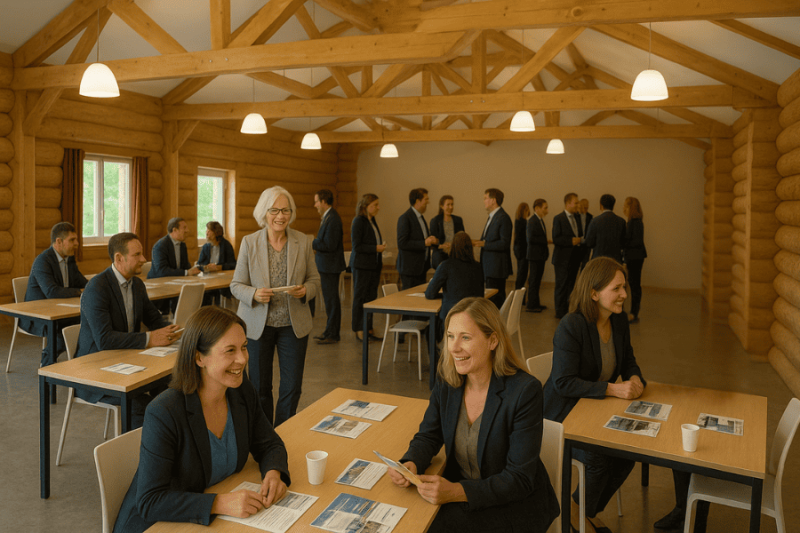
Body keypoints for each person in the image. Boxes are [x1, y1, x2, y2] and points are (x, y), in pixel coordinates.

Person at [113, 306, 291, 533]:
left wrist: (274, 474)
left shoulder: (240, 390)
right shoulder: (165, 411)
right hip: (157, 525)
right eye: (230, 350)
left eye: (244, 347)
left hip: (206, 519)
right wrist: (219, 503)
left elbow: (269, 443)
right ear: (199, 357)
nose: (243, 359)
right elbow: (150, 501)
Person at [389, 297, 559, 533]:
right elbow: (429, 435)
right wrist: (411, 463)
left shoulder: (524, 391)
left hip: (513, 505)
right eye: (450, 336)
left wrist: (456, 492)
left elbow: (519, 479)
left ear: (493, 340)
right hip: (464, 494)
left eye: (465, 337)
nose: (454, 347)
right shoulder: (448, 380)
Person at [543, 257, 646, 533]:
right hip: (562, 416)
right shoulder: (571, 326)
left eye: (624, 287)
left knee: (627, 455)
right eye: (617, 288)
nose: (624, 294)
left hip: (595, 410)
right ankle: (579, 521)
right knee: (599, 458)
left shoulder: (619, 321)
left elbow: (628, 362)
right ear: (594, 293)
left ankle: (579, 515)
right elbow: (563, 383)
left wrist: (635, 377)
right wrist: (613, 389)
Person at [230, 186, 320, 426]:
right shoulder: (249, 243)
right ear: (264, 212)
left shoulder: (303, 241)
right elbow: (236, 285)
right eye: (274, 210)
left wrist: (305, 291)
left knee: (292, 386)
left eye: (285, 210)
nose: (280, 216)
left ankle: (284, 431)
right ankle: (263, 434)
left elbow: (314, 281)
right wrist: (254, 293)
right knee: (259, 386)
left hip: (293, 324)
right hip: (258, 325)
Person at [77, 232, 180, 428]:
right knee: (144, 406)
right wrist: (150, 339)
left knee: (174, 389)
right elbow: (105, 340)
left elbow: (154, 319)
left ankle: (171, 450)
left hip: (127, 360)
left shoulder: (137, 284)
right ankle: (145, 457)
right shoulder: (97, 287)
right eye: (137, 255)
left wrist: (174, 332)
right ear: (119, 258)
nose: (144, 259)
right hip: (96, 371)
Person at [21, 222, 88, 366]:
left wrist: (94, 288)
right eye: (72, 240)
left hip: (61, 310)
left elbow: (82, 282)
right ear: (59, 241)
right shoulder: (42, 261)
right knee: (68, 328)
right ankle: (47, 363)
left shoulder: (69, 258)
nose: (76, 244)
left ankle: (81, 364)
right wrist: (80, 292)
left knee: (90, 321)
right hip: (37, 315)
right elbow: (52, 292)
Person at [424, 232, 484, 342]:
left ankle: (438, 359)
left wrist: (445, 294)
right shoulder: (478, 267)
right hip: (474, 317)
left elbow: (429, 293)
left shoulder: (446, 265)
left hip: (452, 317)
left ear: (453, 246)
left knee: (430, 331)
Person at [311, 189, 346, 344]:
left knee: (331, 301)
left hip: (330, 266)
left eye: (317, 201)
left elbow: (329, 245)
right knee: (330, 300)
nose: (315, 205)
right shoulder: (328, 217)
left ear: (324, 201)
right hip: (327, 266)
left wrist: (311, 241)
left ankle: (332, 333)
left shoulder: (333, 219)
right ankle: (329, 331)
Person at [350, 193, 385, 342]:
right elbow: (357, 246)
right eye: (375, 205)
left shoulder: (372, 220)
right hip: (362, 266)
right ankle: (359, 329)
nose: (378, 207)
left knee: (371, 298)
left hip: (373, 265)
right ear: (366, 206)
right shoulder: (358, 221)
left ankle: (368, 328)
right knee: (360, 298)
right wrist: (375, 248)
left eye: (377, 204)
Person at [148, 217, 201, 314]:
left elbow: (186, 266)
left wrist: (194, 270)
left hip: (176, 285)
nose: (187, 231)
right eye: (184, 228)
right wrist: (186, 272)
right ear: (175, 230)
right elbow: (161, 271)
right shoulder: (160, 246)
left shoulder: (182, 245)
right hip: (159, 288)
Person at [475, 188, 512, 309]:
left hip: (496, 268)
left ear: (493, 200)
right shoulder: (493, 216)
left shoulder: (503, 217)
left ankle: (497, 325)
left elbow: (504, 243)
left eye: (486, 198)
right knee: (492, 301)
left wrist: (484, 244)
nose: (484, 201)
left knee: (496, 302)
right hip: (490, 266)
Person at [397, 188, 438, 290]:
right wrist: (424, 242)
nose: (428, 202)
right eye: (426, 199)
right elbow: (402, 243)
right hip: (410, 270)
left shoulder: (420, 218)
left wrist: (431, 240)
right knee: (410, 301)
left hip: (421, 268)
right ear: (417, 201)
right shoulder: (405, 218)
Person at [551, 193, 583, 319]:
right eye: (576, 202)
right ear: (568, 203)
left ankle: (569, 310)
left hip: (574, 259)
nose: (578, 205)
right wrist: (571, 241)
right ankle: (559, 312)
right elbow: (556, 238)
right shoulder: (558, 218)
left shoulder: (578, 217)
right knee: (561, 286)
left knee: (571, 286)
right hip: (562, 260)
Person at [197, 220, 237, 306]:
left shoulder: (226, 245)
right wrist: (206, 267)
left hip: (223, 281)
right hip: (208, 280)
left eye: (209, 230)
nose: (206, 233)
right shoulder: (205, 247)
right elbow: (199, 264)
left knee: (221, 290)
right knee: (203, 292)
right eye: (206, 230)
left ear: (216, 232)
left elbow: (234, 265)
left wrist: (220, 267)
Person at [623, 197, 647, 324]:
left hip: (635, 257)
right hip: (636, 256)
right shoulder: (635, 221)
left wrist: (624, 243)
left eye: (625, 206)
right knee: (634, 284)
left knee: (634, 285)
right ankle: (633, 312)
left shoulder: (634, 222)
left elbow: (634, 242)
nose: (623, 208)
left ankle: (634, 313)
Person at [585, 194, 626, 262]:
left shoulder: (595, 221)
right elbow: (623, 243)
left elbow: (589, 243)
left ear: (601, 205)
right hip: (615, 259)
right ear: (613, 205)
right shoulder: (621, 221)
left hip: (598, 258)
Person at [525, 199, 550, 313]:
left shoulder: (539, 220)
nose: (547, 210)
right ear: (537, 208)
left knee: (537, 280)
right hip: (535, 256)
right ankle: (531, 305)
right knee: (534, 280)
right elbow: (531, 238)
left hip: (539, 256)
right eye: (545, 208)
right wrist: (545, 241)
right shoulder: (532, 221)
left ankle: (536, 303)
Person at [429, 195, 465, 270]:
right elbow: (432, 242)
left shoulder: (458, 220)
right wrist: (442, 246)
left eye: (452, 204)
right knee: (439, 259)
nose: (451, 207)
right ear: (442, 206)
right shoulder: (435, 221)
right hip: (441, 252)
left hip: (455, 251)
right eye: (448, 205)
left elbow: (462, 237)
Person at [513, 202, 530, 302]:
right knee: (521, 276)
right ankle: (519, 298)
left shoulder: (518, 221)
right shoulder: (522, 222)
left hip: (520, 251)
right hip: (523, 252)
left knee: (521, 275)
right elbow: (522, 239)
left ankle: (520, 298)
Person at [578, 198, 593, 271]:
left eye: (587, 206)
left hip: (586, 244)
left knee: (585, 265)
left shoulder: (590, 216)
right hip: (577, 244)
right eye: (585, 206)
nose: (586, 207)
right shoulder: (575, 216)